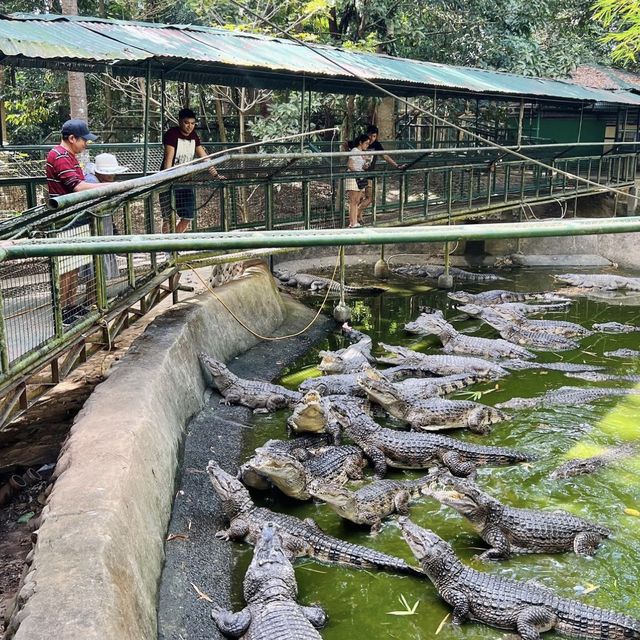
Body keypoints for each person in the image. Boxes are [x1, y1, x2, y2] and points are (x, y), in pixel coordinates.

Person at [46, 119, 106, 324]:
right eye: (83, 140)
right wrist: (108, 187)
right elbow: (77, 187)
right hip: (65, 218)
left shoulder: (69, 155)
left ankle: (70, 305)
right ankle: (63, 310)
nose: (86, 144)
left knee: (75, 264)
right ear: (72, 138)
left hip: (75, 216)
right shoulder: (59, 155)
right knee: (65, 266)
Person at [160, 108, 224, 233]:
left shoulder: (194, 136)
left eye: (193, 123)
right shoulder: (172, 134)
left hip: (186, 181)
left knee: (188, 216)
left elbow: (205, 158)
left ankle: (173, 244)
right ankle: (167, 247)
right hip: (169, 182)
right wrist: (167, 181)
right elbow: (169, 160)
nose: (190, 126)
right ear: (179, 121)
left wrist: (216, 175)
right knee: (168, 217)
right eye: (186, 123)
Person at [345, 124, 405, 224]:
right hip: (358, 174)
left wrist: (397, 166)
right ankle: (356, 219)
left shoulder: (376, 145)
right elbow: (347, 146)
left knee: (370, 197)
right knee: (357, 198)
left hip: (369, 174)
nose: (372, 139)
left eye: (374, 136)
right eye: (370, 136)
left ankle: (356, 215)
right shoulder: (360, 143)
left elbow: (385, 156)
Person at [85, 153, 129, 280]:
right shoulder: (91, 181)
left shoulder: (99, 180)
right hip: (93, 231)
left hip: (103, 228)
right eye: (109, 173)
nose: (112, 176)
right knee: (95, 269)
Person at [345, 134, 370, 228]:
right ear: (360, 142)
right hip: (353, 177)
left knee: (357, 200)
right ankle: (352, 222)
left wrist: (365, 166)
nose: (367, 145)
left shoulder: (362, 153)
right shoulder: (354, 151)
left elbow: (361, 165)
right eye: (366, 143)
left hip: (360, 177)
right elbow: (350, 165)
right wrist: (357, 172)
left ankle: (354, 221)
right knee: (353, 201)